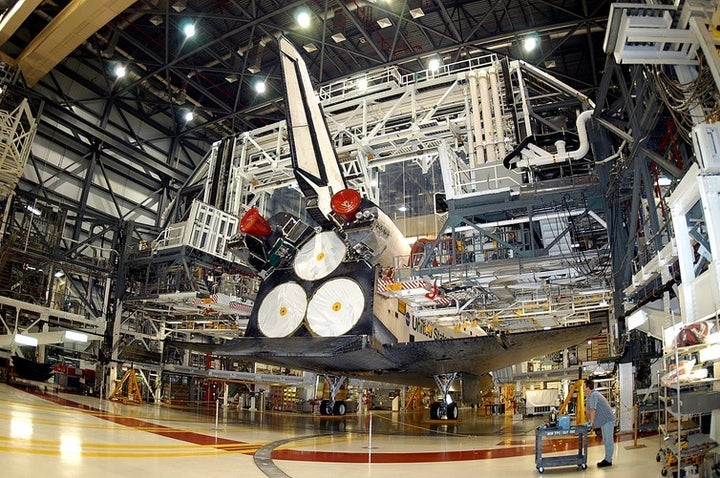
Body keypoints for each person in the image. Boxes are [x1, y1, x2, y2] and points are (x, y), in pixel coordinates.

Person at [583, 378, 615, 468]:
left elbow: (593, 410)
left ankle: (608, 460)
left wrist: (591, 423)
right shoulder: (589, 396)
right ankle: (608, 459)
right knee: (606, 440)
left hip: (607, 419)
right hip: (604, 421)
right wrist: (587, 422)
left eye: (583, 386)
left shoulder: (594, 395)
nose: (582, 388)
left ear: (588, 387)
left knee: (608, 440)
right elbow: (588, 411)